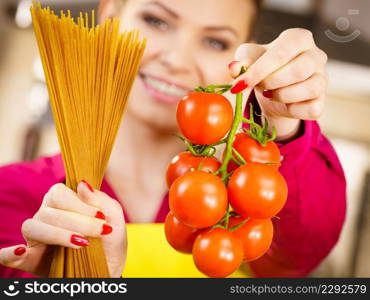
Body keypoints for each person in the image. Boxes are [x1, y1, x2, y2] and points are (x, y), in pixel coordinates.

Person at [0, 0, 346, 278]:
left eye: (216, 41)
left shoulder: (245, 198)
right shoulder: (11, 193)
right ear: (109, 17)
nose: (176, 61)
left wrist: (284, 124)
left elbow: (299, 257)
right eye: (156, 20)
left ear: (241, 61)